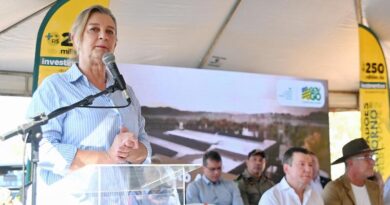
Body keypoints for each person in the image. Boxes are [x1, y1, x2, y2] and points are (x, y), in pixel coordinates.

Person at [27, 4, 151, 203]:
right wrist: (108, 157)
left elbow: (145, 146)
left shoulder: (126, 93)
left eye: (110, 32)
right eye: (94, 29)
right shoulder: (54, 88)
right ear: (76, 39)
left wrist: (135, 152)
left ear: (115, 44)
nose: (104, 36)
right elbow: (42, 147)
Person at [322, 138, 383, 205]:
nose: (373, 162)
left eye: (371, 156)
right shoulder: (334, 189)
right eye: (366, 157)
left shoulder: (374, 188)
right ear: (350, 162)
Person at [259, 147, 323, 205]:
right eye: (302, 164)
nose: (308, 170)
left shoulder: (315, 196)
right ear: (286, 168)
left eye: (310, 165)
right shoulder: (272, 197)